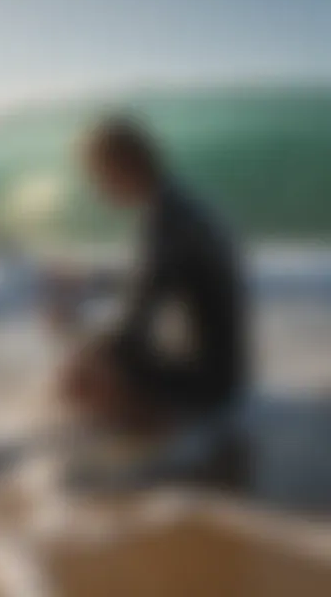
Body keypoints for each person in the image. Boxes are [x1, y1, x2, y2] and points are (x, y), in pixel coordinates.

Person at [48, 112, 247, 435]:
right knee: (95, 358)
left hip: (209, 388)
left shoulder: (164, 222)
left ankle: (143, 459)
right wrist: (90, 279)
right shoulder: (179, 206)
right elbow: (151, 276)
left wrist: (72, 330)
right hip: (225, 376)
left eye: (97, 174)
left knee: (81, 374)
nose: (98, 188)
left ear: (121, 165)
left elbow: (133, 332)